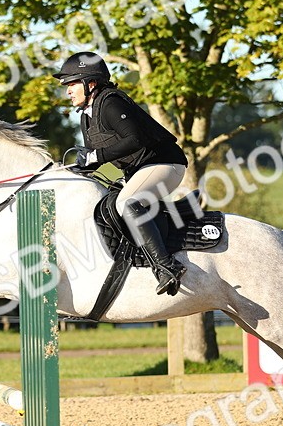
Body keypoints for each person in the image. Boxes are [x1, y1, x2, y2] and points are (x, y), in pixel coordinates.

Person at [54, 51, 188, 295]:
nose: (68, 91)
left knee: (128, 201)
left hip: (165, 164)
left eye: (72, 84)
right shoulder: (86, 117)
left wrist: (96, 157)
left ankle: (167, 267)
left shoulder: (110, 102)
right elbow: (94, 158)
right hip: (139, 171)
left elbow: (134, 139)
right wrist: (68, 170)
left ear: (90, 82)